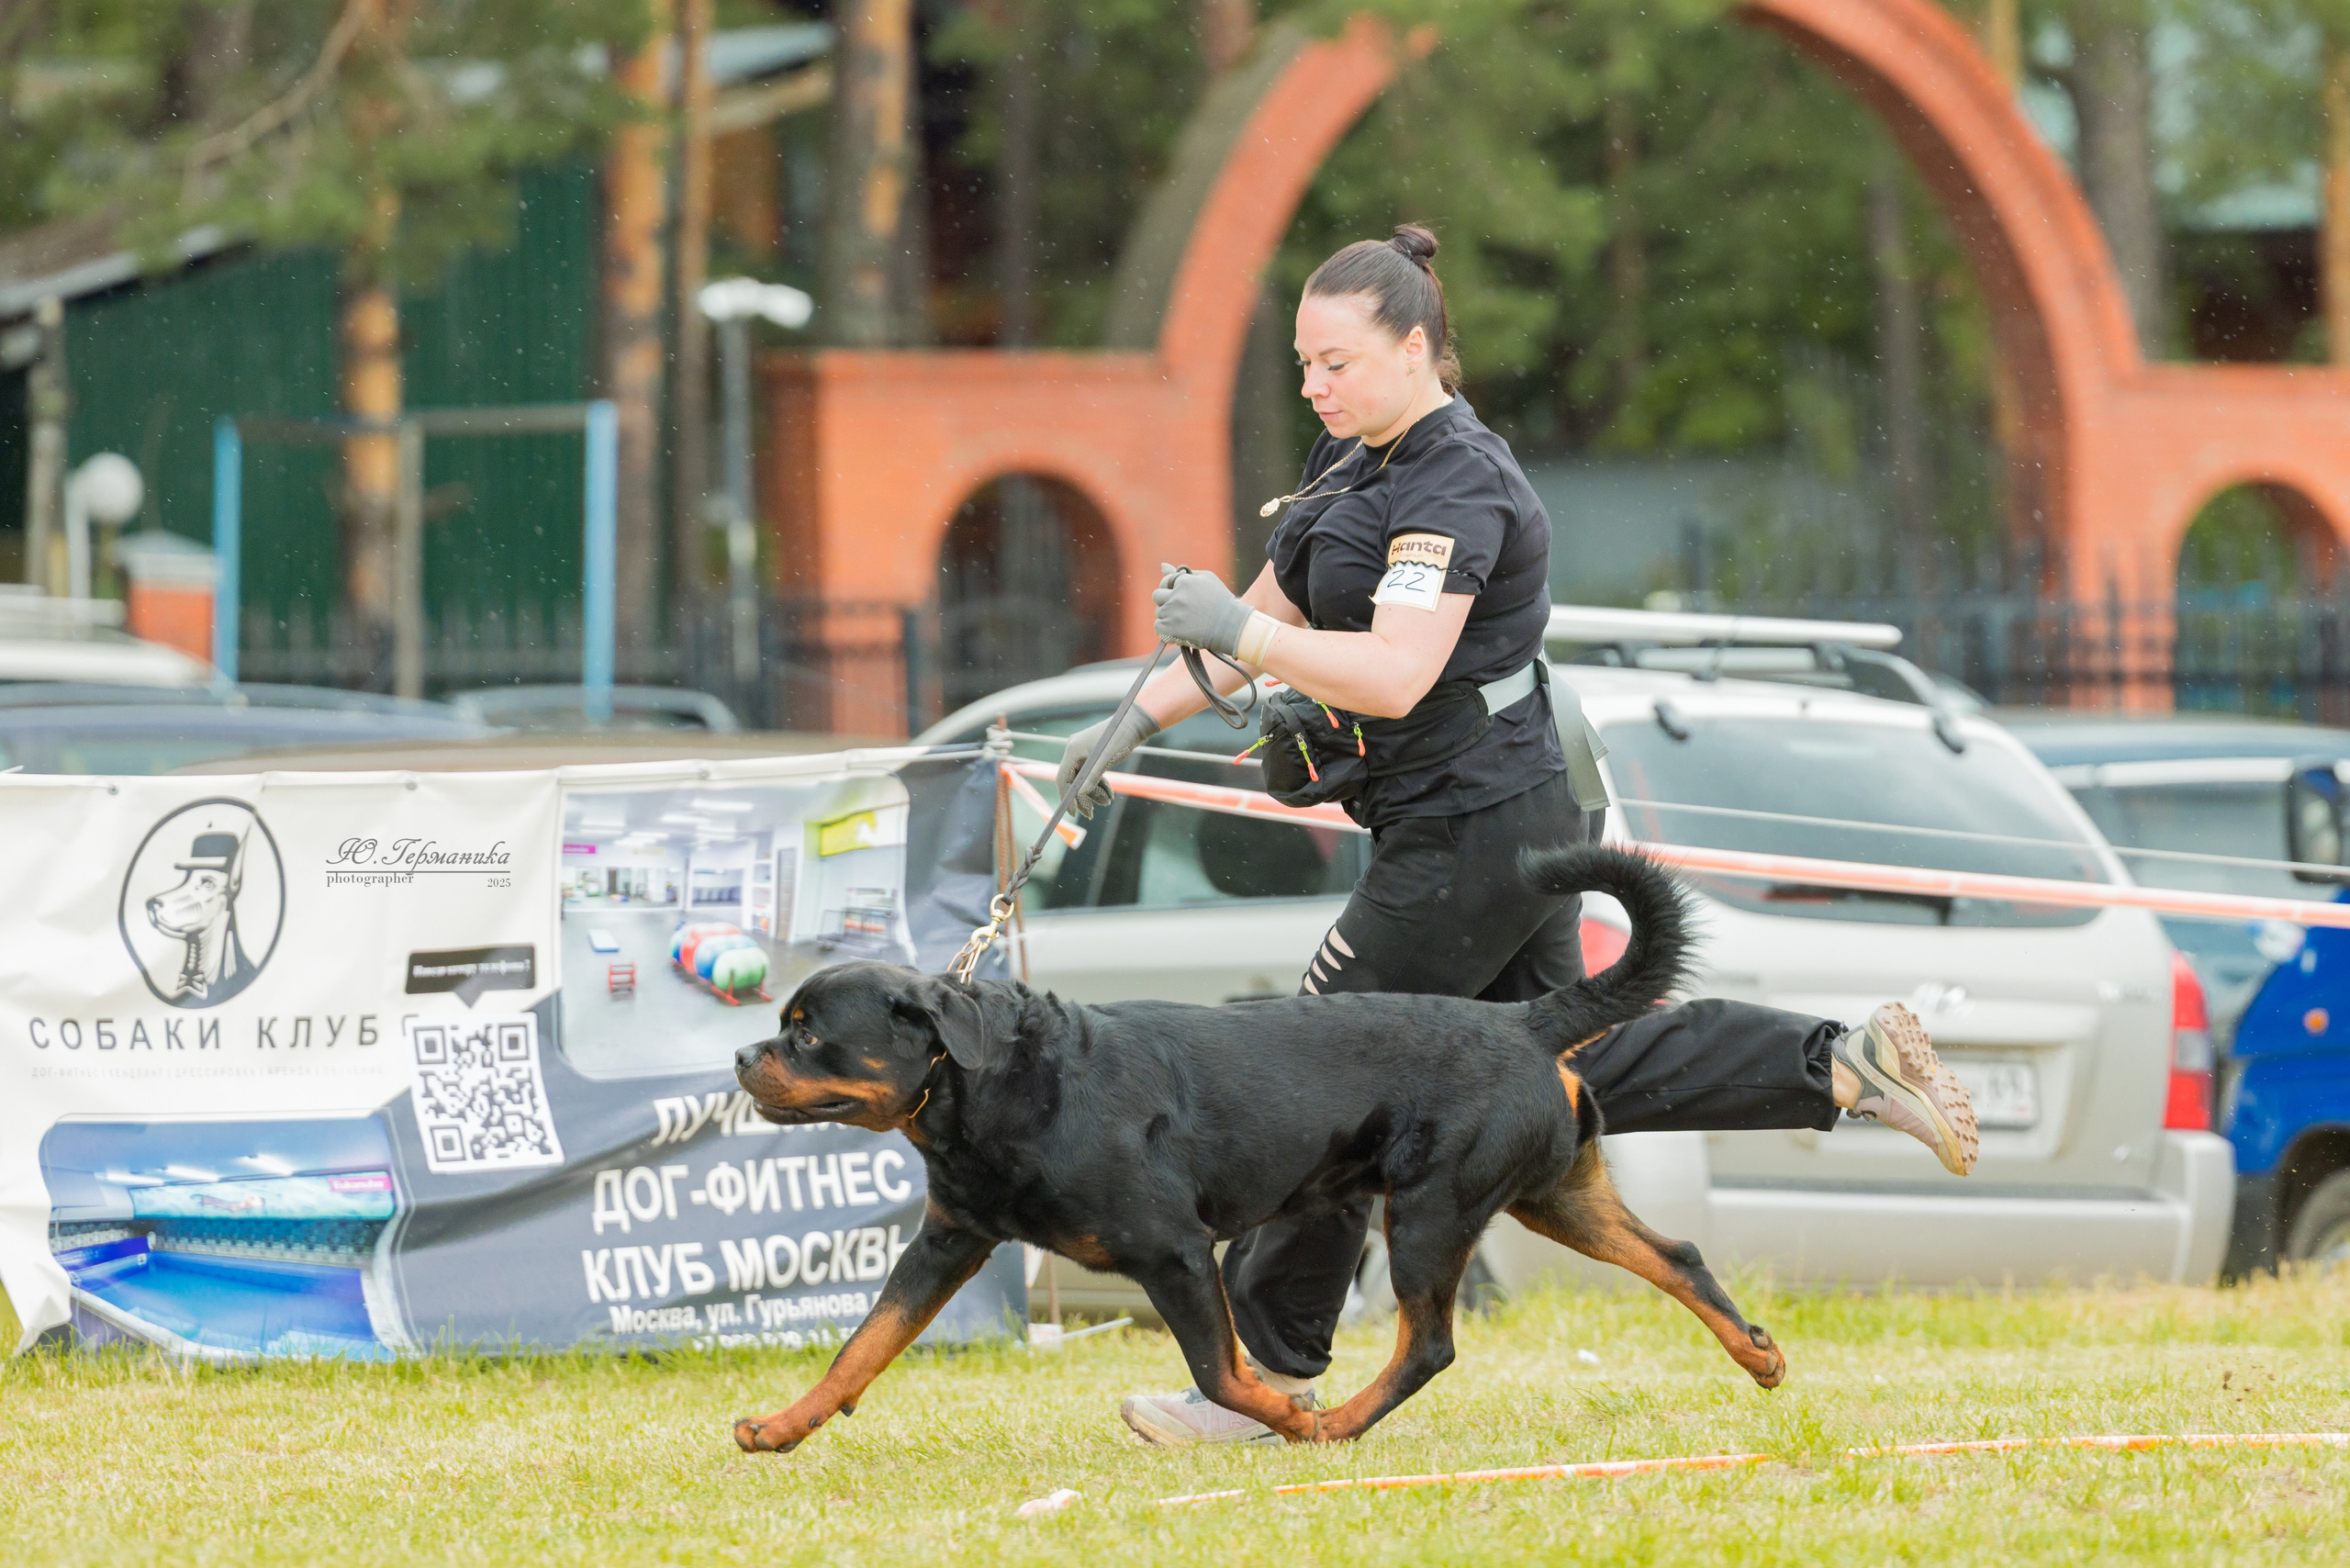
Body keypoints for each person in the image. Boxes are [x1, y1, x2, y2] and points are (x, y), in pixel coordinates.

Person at [1056, 225, 1978, 1448]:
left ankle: (1260, 1372)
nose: (1313, 386)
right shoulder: (1353, 463)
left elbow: (1392, 673)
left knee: (1327, 1069)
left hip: (1477, 822)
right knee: (1559, 1074)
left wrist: (1244, 630)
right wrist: (1125, 720)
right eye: (1303, 362)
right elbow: (1251, 626)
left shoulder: (1457, 481)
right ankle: (1840, 1062)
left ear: (1416, 346)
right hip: (1480, 813)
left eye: (1335, 362)